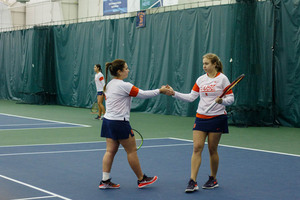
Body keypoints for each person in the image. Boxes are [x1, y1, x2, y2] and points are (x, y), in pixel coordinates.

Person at [166, 53, 234, 193]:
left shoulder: (222, 79)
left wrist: (223, 101)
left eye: (207, 63)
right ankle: (192, 181)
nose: (204, 66)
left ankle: (213, 178)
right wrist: (174, 93)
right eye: (203, 63)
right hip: (201, 117)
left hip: (217, 117)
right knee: (197, 148)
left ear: (215, 64)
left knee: (212, 149)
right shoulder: (200, 80)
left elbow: (231, 98)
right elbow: (191, 97)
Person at [99, 59, 171, 189]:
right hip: (120, 122)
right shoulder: (124, 85)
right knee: (131, 151)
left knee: (109, 151)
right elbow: (142, 94)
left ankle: (105, 181)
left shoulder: (109, 84)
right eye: (126, 68)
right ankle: (142, 179)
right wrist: (160, 90)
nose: (128, 70)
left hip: (108, 121)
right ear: (120, 71)